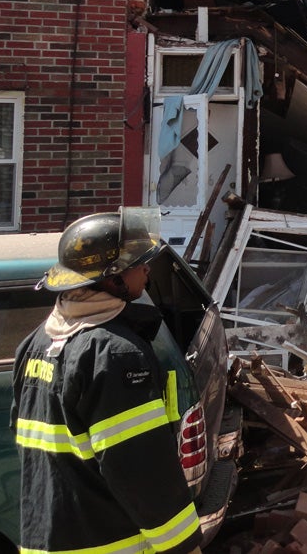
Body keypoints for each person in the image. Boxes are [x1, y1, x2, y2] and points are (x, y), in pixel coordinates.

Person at [12, 208, 203, 554]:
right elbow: (139, 467)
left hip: (47, 539)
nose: (147, 268)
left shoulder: (36, 343)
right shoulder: (114, 354)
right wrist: (183, 546)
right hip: (107, 542)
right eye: (137, 262)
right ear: (110, 277)